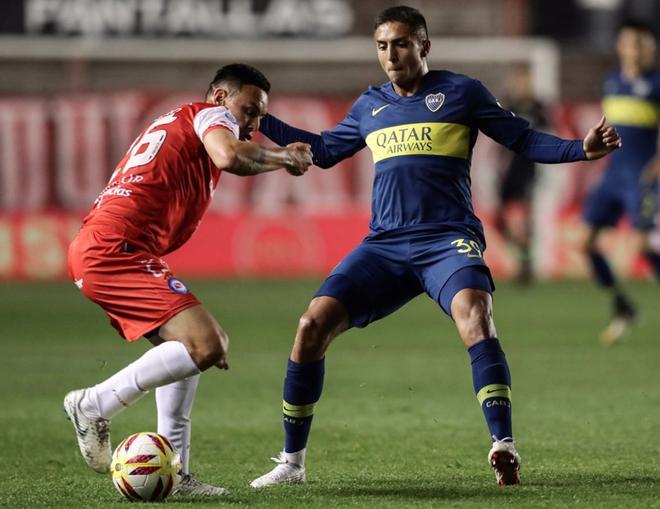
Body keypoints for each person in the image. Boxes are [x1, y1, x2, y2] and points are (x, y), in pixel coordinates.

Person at [248, 5, 621, 488]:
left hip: (447, 240)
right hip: (384, 244)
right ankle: (291, 463)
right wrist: (260, 119)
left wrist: (580, 149)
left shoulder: (461, 92)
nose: (391, 55)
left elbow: (523, 140)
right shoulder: (370, 105)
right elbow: (322, 150)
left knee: (476, 314)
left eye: (401, 44)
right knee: (310, 326)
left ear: (424, 45)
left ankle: (503, 446)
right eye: (382, 46)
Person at [63, 63, 313, 497]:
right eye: (249, 111)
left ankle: (175, 476)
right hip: (114, 249)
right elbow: (230, 156)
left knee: (186, 350)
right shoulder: (209, 115)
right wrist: (284, 158)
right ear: (220, 97)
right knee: (208, 344)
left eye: (257, 117)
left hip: (113, 248)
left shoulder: (181, 120)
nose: (252, 125)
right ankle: (92, 404)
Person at [581, 19, 660, 345]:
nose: (636, 50)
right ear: (620, 46)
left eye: (642, 44)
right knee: (586, 242)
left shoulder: (656, 84)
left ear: (652, 49)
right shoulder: (611, 82)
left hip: (642, 177)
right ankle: (622, 306)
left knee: (642, 246)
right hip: (613, 175)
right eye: (630, 43)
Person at [494, 65, 549, 285]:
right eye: (519, 82)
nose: (522, 86)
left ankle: (525, 265)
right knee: (501, 220)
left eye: (526, 81)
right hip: (507, 170)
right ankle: (520, 256)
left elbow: (550, 136)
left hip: (529, 169)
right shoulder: (508, 106)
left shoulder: (539, 108)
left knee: (526, 219)